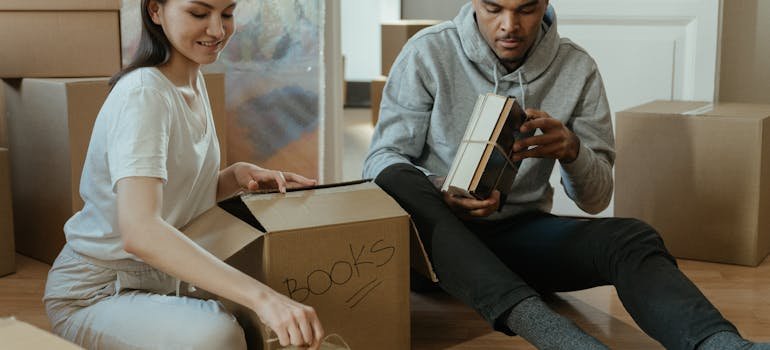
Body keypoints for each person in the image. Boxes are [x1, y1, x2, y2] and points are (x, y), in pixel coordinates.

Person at [364, 1, 770, 349]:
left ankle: (723, 345)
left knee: (632, 237)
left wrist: (573, 151)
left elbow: (595, 199)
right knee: (394, 176)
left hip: (520, 237)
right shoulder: (428, 53)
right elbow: (380, 160)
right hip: (437, 246)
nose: (510, 25)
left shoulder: (578, 68)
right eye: (494, 8)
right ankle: (554, 334)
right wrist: (440, 188)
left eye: (526, 8)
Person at [43, 1, 325, 349]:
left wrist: (234, 177)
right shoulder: (144, 93)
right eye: (198, 13)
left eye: (226, 14)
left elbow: (176, 197)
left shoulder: (190, 80)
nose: (218, 31)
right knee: (219, 338)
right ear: (155, 11)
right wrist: (264, 299)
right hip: (96, 292)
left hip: (158, 275)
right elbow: (141, 231)